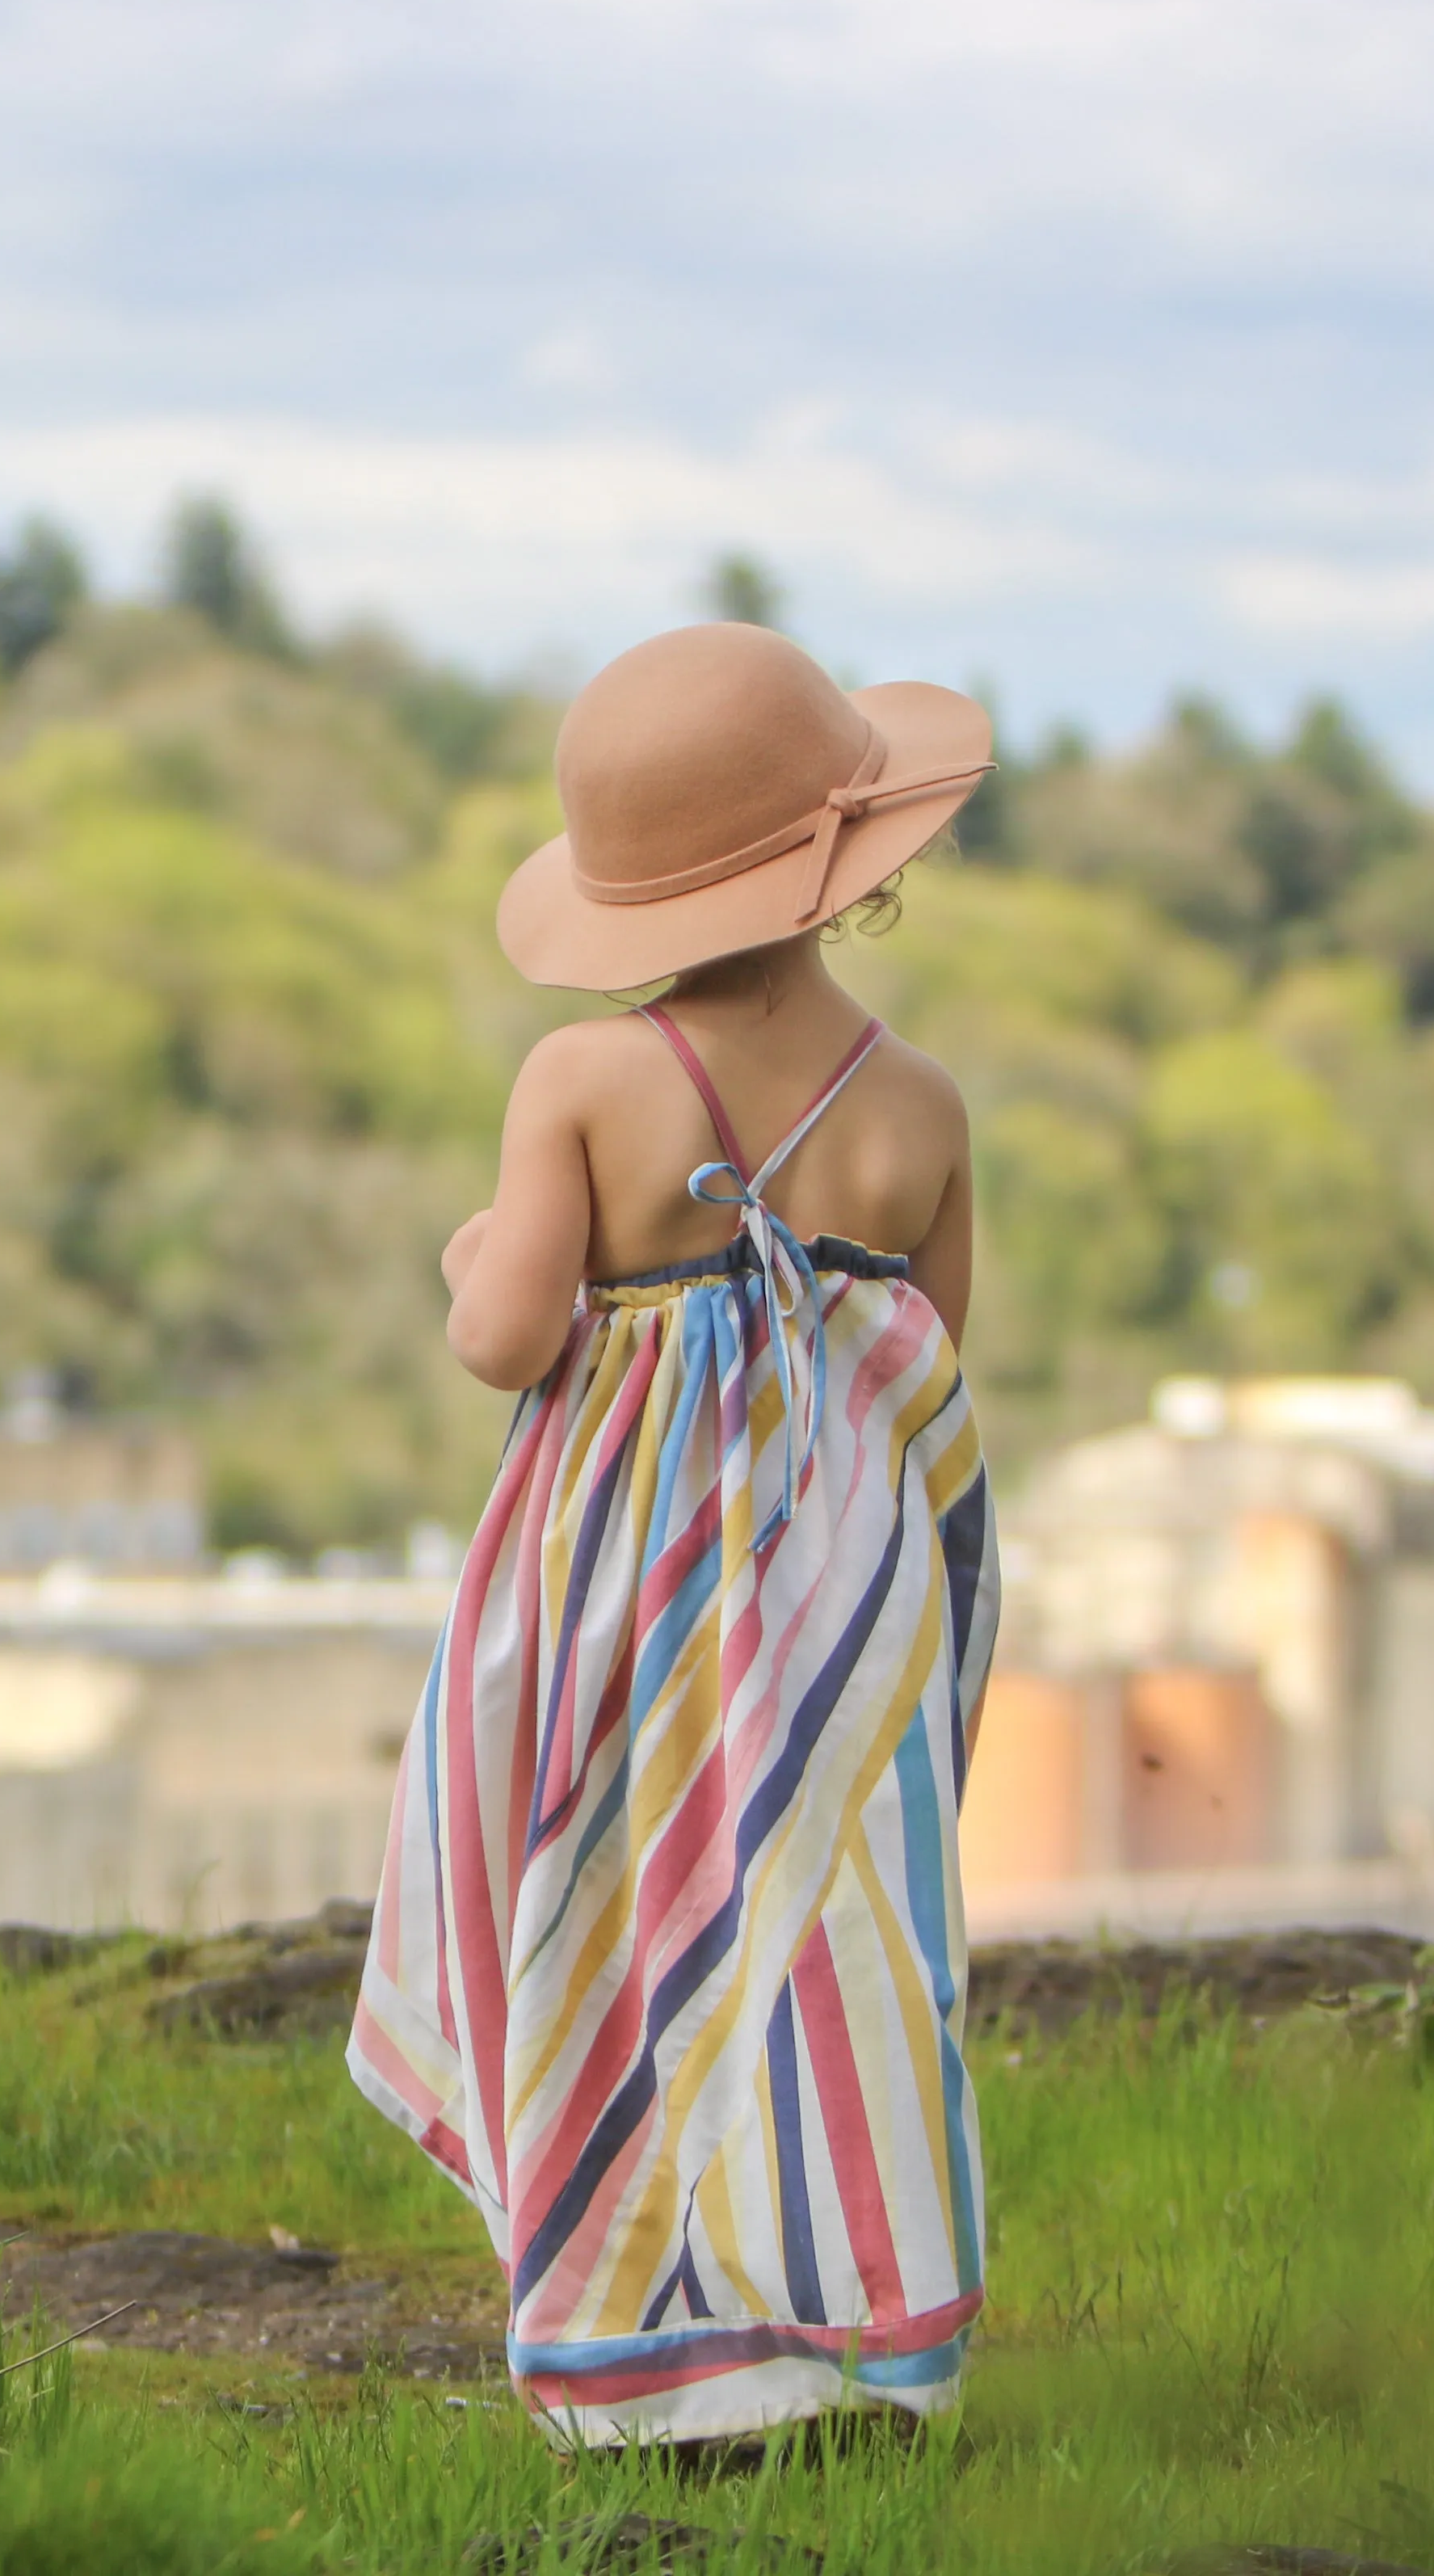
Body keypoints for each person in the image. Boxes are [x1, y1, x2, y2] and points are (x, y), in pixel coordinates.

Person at [350, 617, 1001, 2450]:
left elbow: (507, 1342)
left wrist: (481, 1255)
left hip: (631, 1588)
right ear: (843, 870)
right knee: (830, 1935)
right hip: (849, 1599)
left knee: (621, 1912)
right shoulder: (924, 1107)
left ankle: (644, 2331)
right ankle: (860, 2327)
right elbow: (936, 1355)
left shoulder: (583, 1084)